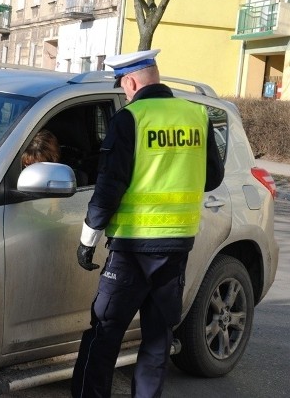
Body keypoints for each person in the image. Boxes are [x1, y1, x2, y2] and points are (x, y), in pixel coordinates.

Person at [71, 49, 225, 398]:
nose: (124, 93)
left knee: (104, 333)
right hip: (177, 247)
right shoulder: (197, 115)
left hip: (131, 248)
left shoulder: (131, 119)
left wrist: (88, 239)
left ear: (131, 81)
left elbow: (109, 187)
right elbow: (213, 177)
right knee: (157, 338)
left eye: (123, 86)